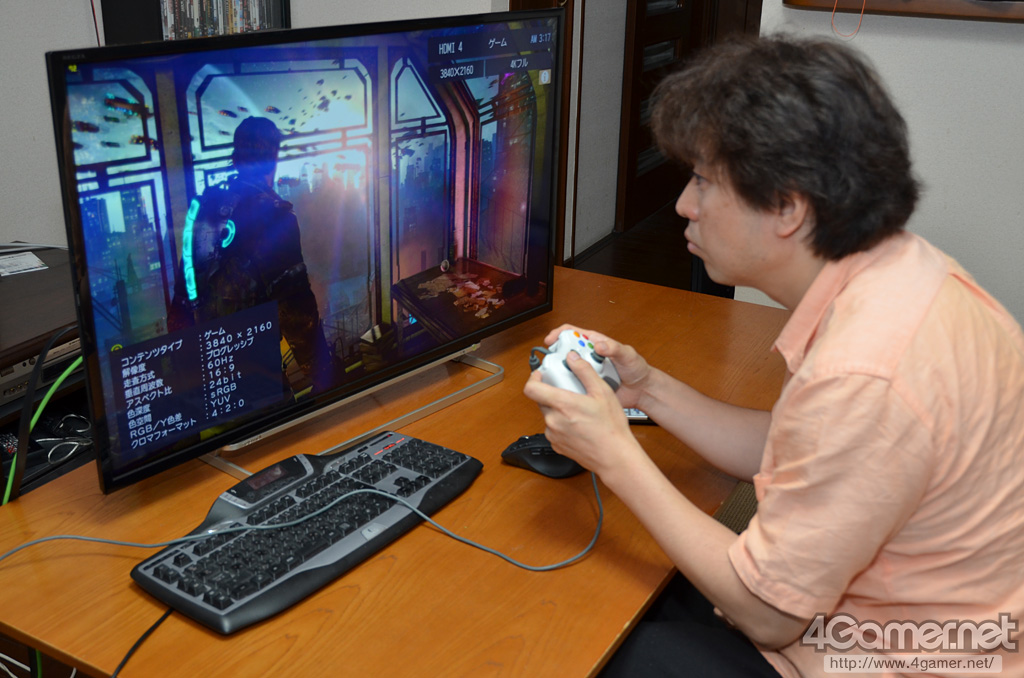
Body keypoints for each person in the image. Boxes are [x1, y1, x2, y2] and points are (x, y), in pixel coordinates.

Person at [524, 34, 1024, 678]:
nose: (684, 205)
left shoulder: (864, 367)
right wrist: (647, 390)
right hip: (932, 621)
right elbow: (795, 448)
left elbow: (767, 615)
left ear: (787, 207)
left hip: (899, 656)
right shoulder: (904, 272)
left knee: (571, 643)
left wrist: (613, 454)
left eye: (703, 181)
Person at [170, 116, 335, 394]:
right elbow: (297, 313)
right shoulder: (275, 215)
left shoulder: (203, 207)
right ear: (273, 157)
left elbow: (182, 297)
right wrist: (325, 377)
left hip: (203, 375)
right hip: (254, 376)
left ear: (236, 157)